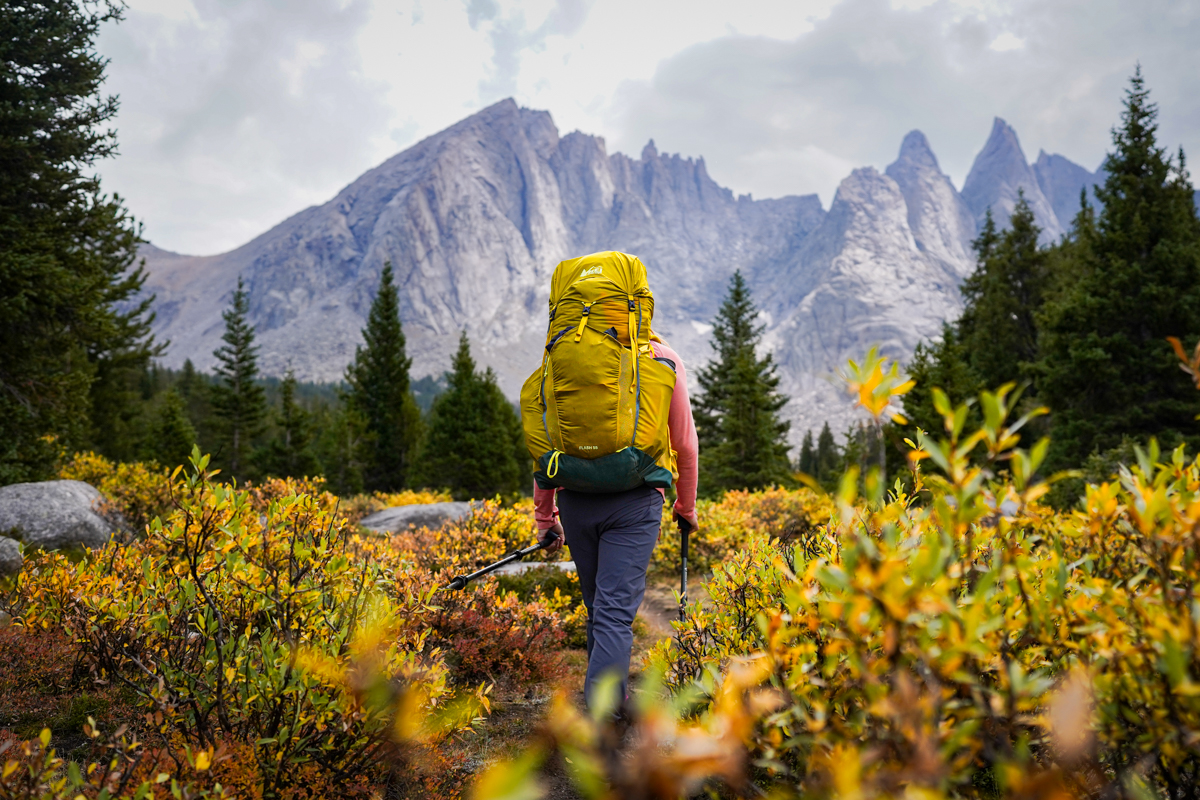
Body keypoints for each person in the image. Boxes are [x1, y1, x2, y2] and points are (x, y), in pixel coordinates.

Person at [534, 334, 699, 711]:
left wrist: (546, 517)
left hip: (574, 498)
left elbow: (546, 443)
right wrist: (685, 506)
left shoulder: (567, 359)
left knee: (599, 606)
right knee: (613, 611)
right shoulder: (664, 358)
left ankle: (607, 696)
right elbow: (685, 445)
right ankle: (604, 713)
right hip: (635, 502)